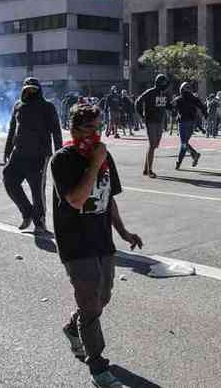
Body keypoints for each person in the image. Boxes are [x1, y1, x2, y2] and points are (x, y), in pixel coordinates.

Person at [52, 104, 143, 388]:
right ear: (75, 129)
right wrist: (94, 162)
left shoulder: (104, 156)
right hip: (75, 243)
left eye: (99, 127)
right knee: (90, 303)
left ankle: (73, 327)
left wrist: (124, 231)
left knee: (103, 297)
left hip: (102, 240)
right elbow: (77, 200)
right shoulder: (63, 159)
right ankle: (98, 367)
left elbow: (108, 198)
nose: (96, 133)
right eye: (89, 128)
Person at [3, 78, 63, 232]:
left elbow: (56, 130)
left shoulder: (47, 107)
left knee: (37, 190)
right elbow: (12, 129)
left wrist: (59, 152)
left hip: (39, 155)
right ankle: (27, 212)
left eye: (34, 89)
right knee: (9, 179)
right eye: (28, 89)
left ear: (39, 90)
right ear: (23, 90)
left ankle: (39, 222)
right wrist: (7, 150)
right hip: (18, 152)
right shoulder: (18, 105)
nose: (30, 91)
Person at [135, 74, 170, 178]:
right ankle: (150, 170)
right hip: (151, 121)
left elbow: (166, 106)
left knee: (154, 145)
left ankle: (146, 169)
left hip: (160, 121)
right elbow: (138, 102)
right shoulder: (150, 92)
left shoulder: (164, 94)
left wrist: (173, 106)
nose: (165, 85)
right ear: (158, 82)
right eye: (163, 82)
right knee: (152, 144)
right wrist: (142, 116)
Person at [171, 82, 207, 169]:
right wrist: (205, 115)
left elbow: (171, 107)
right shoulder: (194, 98)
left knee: (184, 143)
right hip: (191, 122)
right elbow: (202, 107)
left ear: (181, 89)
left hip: (183, 123)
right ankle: (192, 156)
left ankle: (183, 159)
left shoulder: (178, 99)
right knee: (184, 143)